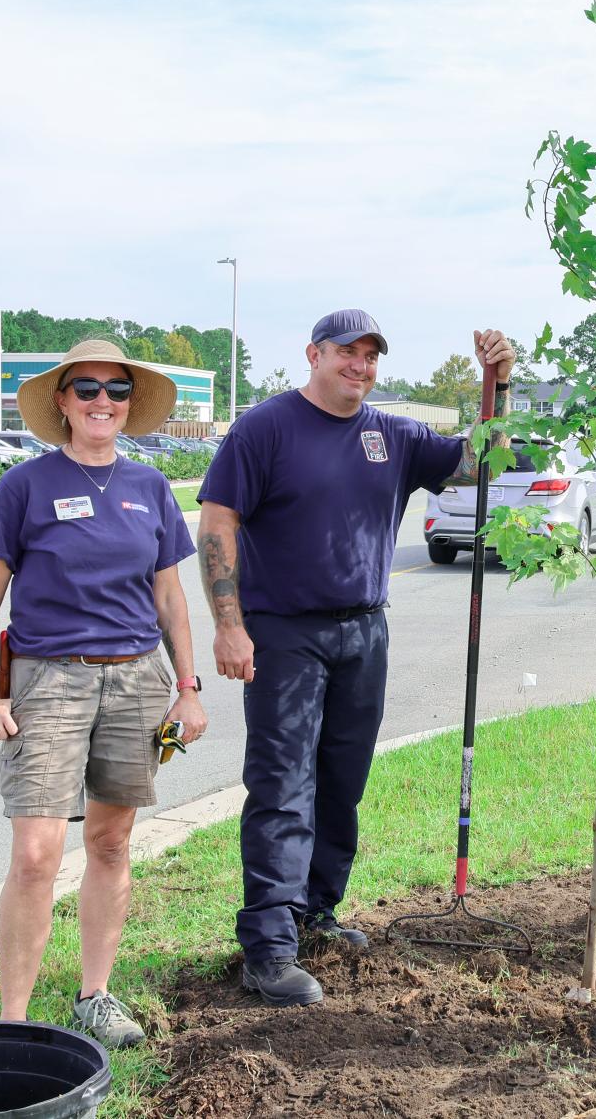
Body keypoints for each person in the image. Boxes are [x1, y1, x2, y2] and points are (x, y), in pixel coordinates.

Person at [197, 309, 514, 1007]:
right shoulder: (265, 427)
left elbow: (482, 460)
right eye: (348, 352)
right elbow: (218, 521)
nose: (360, 366)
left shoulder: (392, 434)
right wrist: (230, 624)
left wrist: (501, 384)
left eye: (371, 355)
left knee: (342, 781)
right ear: (314, 353)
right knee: (283, 783)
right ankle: (268, 946)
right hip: (284, 633)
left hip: (364, 633)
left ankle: (316, 912)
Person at [0, 338, 205, 1047]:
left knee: (110, 841)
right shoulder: (25, 486)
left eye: (117, 390)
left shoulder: (151, 488)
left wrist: (187, 689)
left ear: (131, 406)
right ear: (63, 402)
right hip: (48, 680)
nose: (104, 400)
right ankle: (13, 1021)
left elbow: (170, 598)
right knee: (36, 853)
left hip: (136, 680)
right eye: (88, 388)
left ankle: (95, 996)